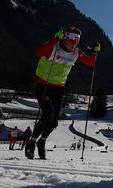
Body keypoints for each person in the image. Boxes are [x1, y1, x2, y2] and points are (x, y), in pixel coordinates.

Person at [25, 26, 99, 160]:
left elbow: (90, 63)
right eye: (72, 40)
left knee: (54, 122)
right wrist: (54, 40)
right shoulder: (54, 47)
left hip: (59, 88)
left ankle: (42, 141)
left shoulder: (77, 52)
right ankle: (32, 141)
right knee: (47, 115)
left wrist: (94, 52)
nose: (74, 44)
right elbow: (38, 53)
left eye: (77, 41)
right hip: (44, 86)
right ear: (65, 38)